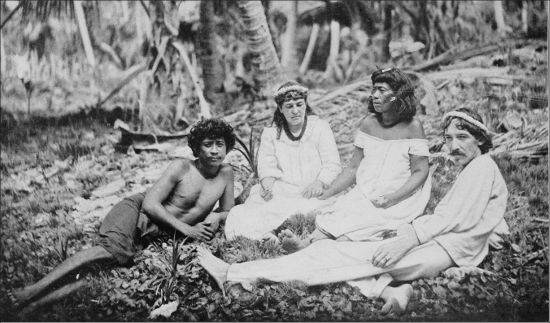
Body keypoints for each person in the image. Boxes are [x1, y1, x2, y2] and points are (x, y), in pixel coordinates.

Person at [198, 108, 509, 315]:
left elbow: (451, 217)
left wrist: (409, 237)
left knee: (332, 256)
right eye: (449, 138)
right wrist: (487, 237)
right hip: (442, 248)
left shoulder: (482, 167)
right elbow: (480, 214)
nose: (453, 146)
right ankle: (390, 291)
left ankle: (233, 274)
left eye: (463, 138)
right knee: (346, 258)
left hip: (438, 250)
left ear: (481, 139)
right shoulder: (481, 169)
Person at [11, 118, 236, 309]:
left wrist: (217, 216)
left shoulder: (226, 174)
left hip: (161, 232)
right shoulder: (182, 167)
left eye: (220, 144)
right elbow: (149, 204)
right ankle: (31, 290)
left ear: (227, 147)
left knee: (106, 274)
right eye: (208, 144)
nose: (215, 150)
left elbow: (228, 211)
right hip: (136, 211)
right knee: (108, 253)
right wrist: (188, 229)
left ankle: (31, 309)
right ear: (197, 148)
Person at [282, 67, 431, 249]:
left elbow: (420, 171)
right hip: (369, 188)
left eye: (382, 90)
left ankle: (317, 248)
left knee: (362, 225)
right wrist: (328, 193)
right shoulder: (369, 124)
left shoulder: (413, 127)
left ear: (397, 95)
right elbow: (353, 168)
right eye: (373, 89)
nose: (374, 95)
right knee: (343, 211)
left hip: (400, 192)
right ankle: (305, 244)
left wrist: (393, 197)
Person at [224, 81, 341, 241]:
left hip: (311, 190)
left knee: (307, 209)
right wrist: (267, 185)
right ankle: (265, 235)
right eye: (289, 106)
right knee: (254, 206)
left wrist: (319, 182)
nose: (295, 111)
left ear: (305, 105)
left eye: (299, 104)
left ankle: (280, 232)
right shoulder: (271, 133)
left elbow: (332, 164)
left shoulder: (320, 127)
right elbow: (266, 165)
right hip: (283, 189)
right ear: (280, 109)